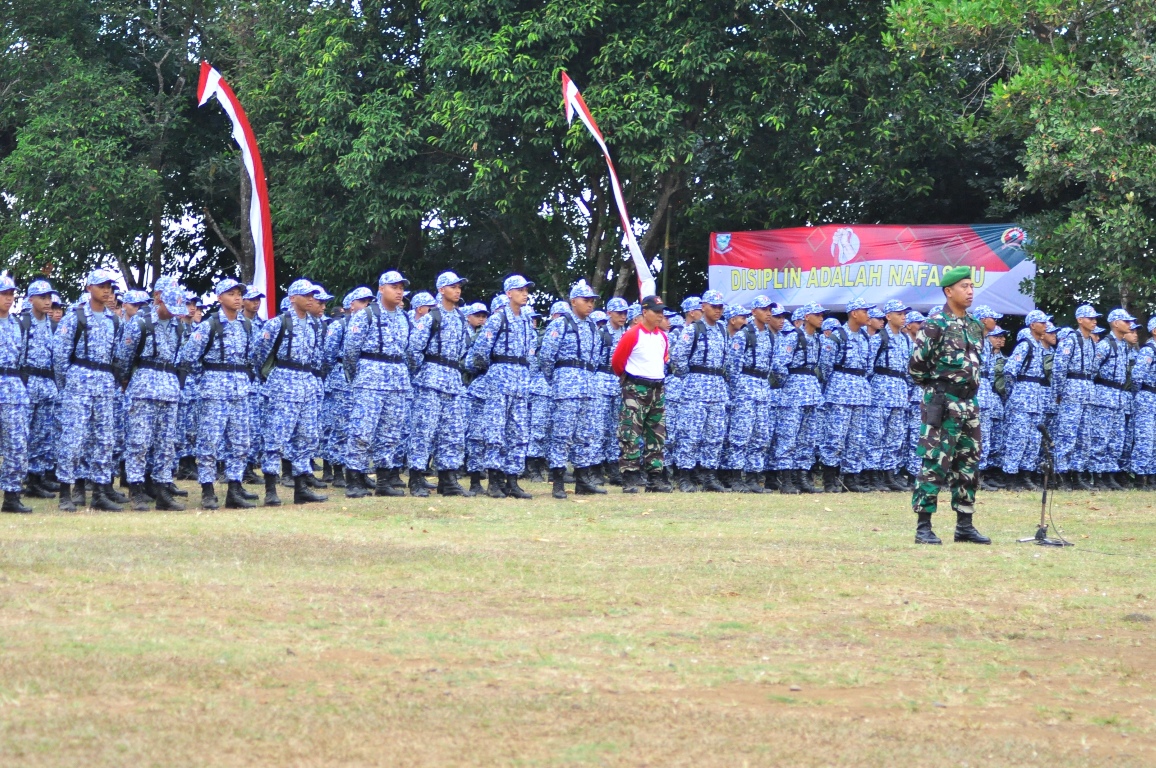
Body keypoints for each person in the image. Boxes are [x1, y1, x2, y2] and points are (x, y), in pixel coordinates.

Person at [908, 265, 989, 545]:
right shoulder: (935, 324)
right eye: (964, 286)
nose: (970, 291)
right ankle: (924, 527)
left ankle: (964, 525)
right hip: (943, 402)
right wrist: (938, 390)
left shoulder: (975, 325)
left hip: (970, 403)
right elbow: (917, 366)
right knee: (935, 463)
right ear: (948, 291)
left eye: (971, 286)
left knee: (969, 464)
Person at [178, 279, 257, 510]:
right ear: (219, 298)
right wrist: (205, 377)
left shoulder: (246, 326)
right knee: (209, 442)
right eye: (231, 294)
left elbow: (252, 357)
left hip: (240, 390)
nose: (237, 298)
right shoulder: (209, 325)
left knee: (241, 442)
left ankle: (234, 488)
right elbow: (188, 357)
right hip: (214, 390)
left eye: (239, 294)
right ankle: (208, 490)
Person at [251, 279, 329, 505]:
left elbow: (318, 357)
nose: (311, 299)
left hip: (307, 383)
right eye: (306, 295)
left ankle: (301, 487)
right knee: (276, 437)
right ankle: (271, 489)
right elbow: (258, 354)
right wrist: (270, 377)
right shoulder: (278, 323)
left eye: (313, 295)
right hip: (284, 381)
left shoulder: (316, 324)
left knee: (306, 437)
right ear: (293, 298)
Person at [114, 285, 188, 511]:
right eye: (169, 306)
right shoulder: (140, 323)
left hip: (169, 386)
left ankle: (162, 489)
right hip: (144, 386)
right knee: (139, 441)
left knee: (166, 443)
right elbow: (123, 358)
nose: (174, 312)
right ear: (158, 299)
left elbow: (181, 358)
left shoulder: (178, 327)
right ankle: (136, 489)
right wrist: (126, 383)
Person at [341, 271, 414, 498]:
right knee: (362, 430)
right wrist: (359, 376)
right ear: (381, 288)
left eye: (401, 287)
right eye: (394, 286)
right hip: (370, 377)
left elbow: (408, 352)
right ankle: (354, 477)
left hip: (397, 380)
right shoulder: (366, 315)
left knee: (391, 432)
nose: (399, 291)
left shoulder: (404, 317)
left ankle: (384, 479)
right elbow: (350, 351)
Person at [467, 276, 537, 498]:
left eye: (526, 290)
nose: (525, 293)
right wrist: (495, 368)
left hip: (521, 379)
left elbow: (532, 351)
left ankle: (513, 480)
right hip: (500, 377)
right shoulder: (498, 318)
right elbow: (480, 350)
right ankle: (495, 480)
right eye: (520, 290)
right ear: (509, 293)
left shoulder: (526, 319)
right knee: (495, 430)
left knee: (518, 431)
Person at [407, 271, 473, 497]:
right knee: (424, 429)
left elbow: (464, 349)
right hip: (431, 379)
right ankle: (416, 477)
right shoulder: (431, 317)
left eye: (459, 287)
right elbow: (414, 349)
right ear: (441, 289)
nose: (458, 290)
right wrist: (420, 374)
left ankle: (448, 479)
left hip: (453, 379)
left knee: (452, 432)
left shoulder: (461, 318)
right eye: (453, 287)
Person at [538, 280, 603, 497]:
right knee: (562, 434)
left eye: (592, 301)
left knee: (586, 435)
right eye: (586, 300)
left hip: (587, 385)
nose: (590, 304)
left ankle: (583, 479)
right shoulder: (560, 324)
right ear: (573, 301)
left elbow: (595, 357)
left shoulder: (593, 326)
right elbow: (546, 356)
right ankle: (558, 480)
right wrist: (555, 379)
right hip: (566, 385)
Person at [669, 289, 729, 492]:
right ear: (703, 307)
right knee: (691, 433)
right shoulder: (692, 329)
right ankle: (685, 475)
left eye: (721, 307)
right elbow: (677, 357)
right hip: (696, 385)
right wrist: (689, 376)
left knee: (714, 434)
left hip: (717, 387)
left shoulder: (722, 329)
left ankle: (709, 475)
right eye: (714, 306)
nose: (718, 310)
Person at [611, 294, 671, 492]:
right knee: (630, 432)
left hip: (657, 388)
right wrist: (631, 382)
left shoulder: (662, 336)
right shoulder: (633, 334)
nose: (660, 316)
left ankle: (655, 477)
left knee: (657, 434)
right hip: (636, 388)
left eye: (662, 312)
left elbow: (662, 360)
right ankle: (630, 476)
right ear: (645, 312)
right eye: (656, 312)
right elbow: (618, 363)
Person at [818, 298, 873, 492]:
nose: (868, 315)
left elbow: (868, 366)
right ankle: (830, 479)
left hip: (860, 391)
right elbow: (825, 366)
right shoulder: (837, 336)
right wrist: (834, 384)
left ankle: (851, 478)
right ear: (854, 313)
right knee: (835, 436)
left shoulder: (865, 337)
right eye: (864, 311)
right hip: (840, 390)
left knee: (857, 438)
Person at [721, 299, 775, 492]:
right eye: (764, 309)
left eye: (770, 310)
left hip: (762, 386)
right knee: (740, 433)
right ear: (754, 311)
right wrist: (738, 390)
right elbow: (732, 367)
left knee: (761, 435)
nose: (768, 313)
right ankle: (735, 476)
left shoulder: (769, 335)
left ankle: (753, 477)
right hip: (746, 384)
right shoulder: (743, 335)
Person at [774, 304, 824, 494]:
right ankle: (786, 479)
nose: (821, 318)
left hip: (811, 388)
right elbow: (779, 365)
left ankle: (802, 476)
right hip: (795, 389)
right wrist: (789, 383)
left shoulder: (817, 339)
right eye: (817, 315)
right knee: (789, 434)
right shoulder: (794, 336)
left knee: (808, 436)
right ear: (806, 316)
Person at [866, 299, 915, 491]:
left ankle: (889, 474)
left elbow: (910, 367)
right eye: (899, 314)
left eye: (904, 314)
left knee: (896, 434)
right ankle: (873, 474)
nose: (903, 317)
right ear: (888, 316)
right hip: (881, 387)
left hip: (900, 389)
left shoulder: (905, 339)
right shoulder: (879, 338)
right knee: (877, 433)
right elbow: (869, 366)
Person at [1000, 314, 1053, 491]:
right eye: (1042, 322)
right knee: (1018, 438)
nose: (1045, 325)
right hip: (1023, 396)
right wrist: (1013, 393)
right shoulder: (1025, 345)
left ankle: (1026, 475)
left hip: (1036, 398)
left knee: (1033, 439)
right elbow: (1009, 371)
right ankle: (1010, 476)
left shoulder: (1038, 346)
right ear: (1032, 325)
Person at [1088, 308, 1136, 489]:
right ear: (1116, 323)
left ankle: (1110, 474)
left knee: (1116, 438)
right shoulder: (1105, 344)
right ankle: (1097, 475)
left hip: (1118, 397)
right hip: (1104, 394)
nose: (1130, 325)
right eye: (1126, 322)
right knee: (1101, 437)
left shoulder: (1123, 345)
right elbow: (1092, 370)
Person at [20, 279, 60, 499]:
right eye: (42, 297)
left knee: (43, 435)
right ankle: (22, 476)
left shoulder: (53, 325)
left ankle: (38, 478)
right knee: (23, 434)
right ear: (31, 299)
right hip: (27, 382)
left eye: (49, 297)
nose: (47, 302)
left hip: (46, 384)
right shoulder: (23, 322)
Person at [0, 276, 31, 513]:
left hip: (13, 389)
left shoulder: (18, 324)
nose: (9, 298)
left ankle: (11, 496)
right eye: (4, 293)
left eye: (11, 294)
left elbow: (22, 361)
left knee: (16, 445)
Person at [977, 326, 1008, 491]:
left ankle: (985, 474)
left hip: (990, 399)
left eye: (1002, 337)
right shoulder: (975, 347)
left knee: (990, 440)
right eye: (996, 336)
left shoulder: (999, 357)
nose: (1000, 339)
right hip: (977, 398)